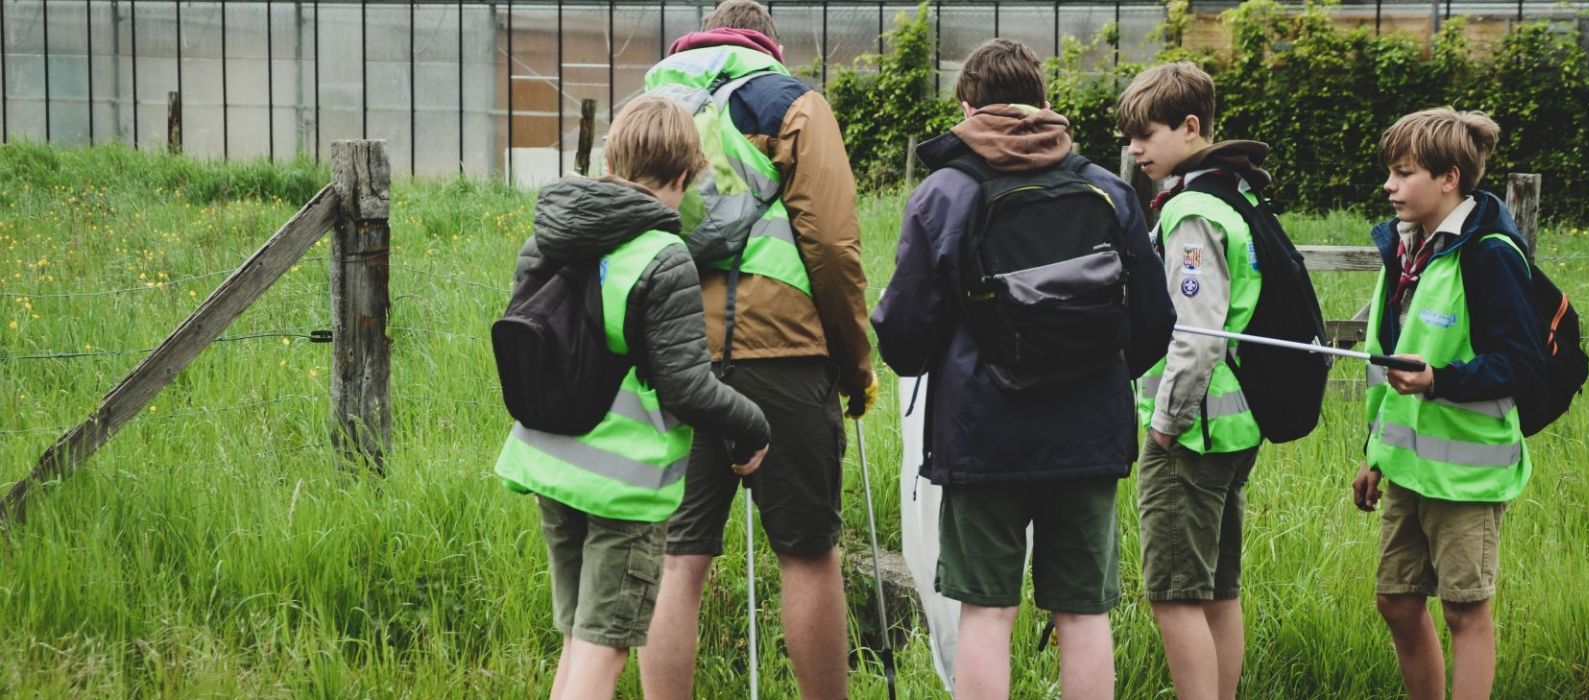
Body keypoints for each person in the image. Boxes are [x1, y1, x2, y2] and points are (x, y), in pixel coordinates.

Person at [871, 38, 1174, 700]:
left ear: (969, 105)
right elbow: (1155, 323)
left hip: (983, 438)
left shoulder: (944, 193)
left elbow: (900, 333)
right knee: (1083, 612)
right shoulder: (1109, 190)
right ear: (1044, 103)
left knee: (987, 611)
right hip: (1087, 437)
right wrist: (1092, 372)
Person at [495, 96, 771, 700]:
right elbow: (687, 386)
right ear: (680, 176)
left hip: (551, 461)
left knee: (578, 635)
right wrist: (753, 426)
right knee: (606, 646)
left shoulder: (549, 235)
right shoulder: (661, 255)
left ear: (614, 157)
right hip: (622, 485)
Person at [633, 3, 873, 698]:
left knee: (678, 560)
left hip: (672, 356)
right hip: (782, 355)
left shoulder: (649, 106)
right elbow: (831, 246)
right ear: (769, 44)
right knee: (807, 555)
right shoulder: (791, 100)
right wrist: (854, 364)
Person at [1350, 107, 1544, 700]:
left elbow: (1523, 364)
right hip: (1406, 468)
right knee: (1396, 602)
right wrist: (1374, 453)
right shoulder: (1404, 250)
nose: (1389, 186)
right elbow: (1388, 357)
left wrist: (1439, 380)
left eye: (1403, 173)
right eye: (1390, 172)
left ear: (1449, 177)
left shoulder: (1489, 254)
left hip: (1467, 476)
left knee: (1466, 612)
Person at [1117, 61, 1269, 700]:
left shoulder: (1192, 213)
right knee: (1216, 592)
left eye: (1145, 135)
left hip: (1191, 435)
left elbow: (1197, 332)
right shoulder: (1237, 193)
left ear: (1190, 126)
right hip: (1233, 428)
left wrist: (1163, 427)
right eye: (1128, 138)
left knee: (1175, 596)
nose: (1133, 149)